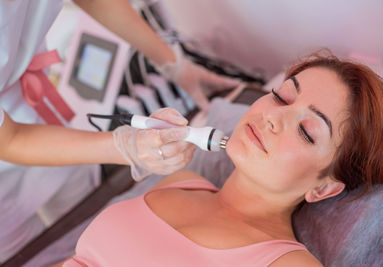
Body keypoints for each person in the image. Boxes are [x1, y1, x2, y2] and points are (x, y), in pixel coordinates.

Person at [62, 52, 383, 266]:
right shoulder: (181, 183)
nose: (273, 117)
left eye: (307, 131)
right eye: (281, 97)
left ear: (324, 188)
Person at [0, 0, 237, 261]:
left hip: (34, 112)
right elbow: (10, 140)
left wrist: (171, 63)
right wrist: (127, 147)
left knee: (83, 216)